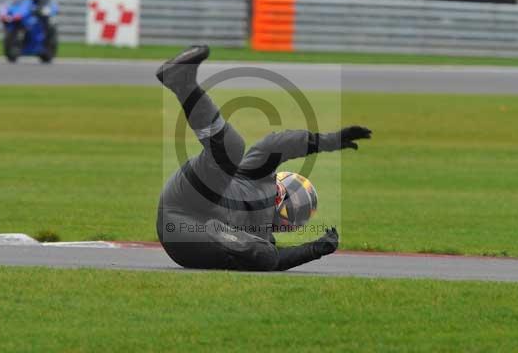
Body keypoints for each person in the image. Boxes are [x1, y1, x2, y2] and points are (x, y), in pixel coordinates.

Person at [156, 45, 372, 271]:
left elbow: (276, 259)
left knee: (266, 255)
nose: (290, 218)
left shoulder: (265, 238)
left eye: (298, 217)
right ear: (281, 188)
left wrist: (314, 249)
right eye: (293, 208)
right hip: (188, 199)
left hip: (187, 235)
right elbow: (278, 144)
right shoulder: (257, 175)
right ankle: (183, 83)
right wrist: (329, 141)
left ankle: (224, 239)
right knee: (232, 147)